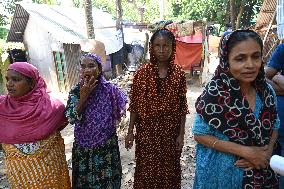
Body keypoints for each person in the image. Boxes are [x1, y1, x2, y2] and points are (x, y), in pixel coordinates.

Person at [193, 30, 280, 188]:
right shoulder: (214, 93)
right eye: (240, 58)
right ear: (227, 60)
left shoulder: (266, 92)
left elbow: (275, 125)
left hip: (259, 172)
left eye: (255, 56)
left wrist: (265, 155)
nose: (250, 65)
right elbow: (200, 134)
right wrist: (247, 152)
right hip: (220, 173)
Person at [125, 28, 189, 189]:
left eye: (165, 45)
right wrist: (130, 131)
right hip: (147, 134)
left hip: (170, 134)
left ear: (172, 47)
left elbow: (182, 107)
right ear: (151, 47)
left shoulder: (179, 75)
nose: (161, 50)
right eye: (157, 45)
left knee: (169, 173)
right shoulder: (142, 73)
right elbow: (135, 105)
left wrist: (181, 135)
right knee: (146, 171)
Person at [0, 62, 71, 188]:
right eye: (8, 79)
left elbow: (61, 125)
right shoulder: (2, 107)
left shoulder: (52, 107)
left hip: (50, 174)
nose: (9, 84)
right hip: (20, 176)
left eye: (16, 79)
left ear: (32, 83)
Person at [65, 53, 127, 188]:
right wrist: (84, 96)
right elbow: (71, 118)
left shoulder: (111, 90)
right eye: (83, 67)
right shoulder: (76, 91)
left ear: (99, 69)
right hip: (83, 149)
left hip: (106, 148)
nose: (86, 70)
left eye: (91, 66)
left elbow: (119, 113)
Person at [265, 43, 284, 189]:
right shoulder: (283, 48)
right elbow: (262, 78)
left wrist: (279, 78)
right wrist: (278, 81)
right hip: (277, 125)